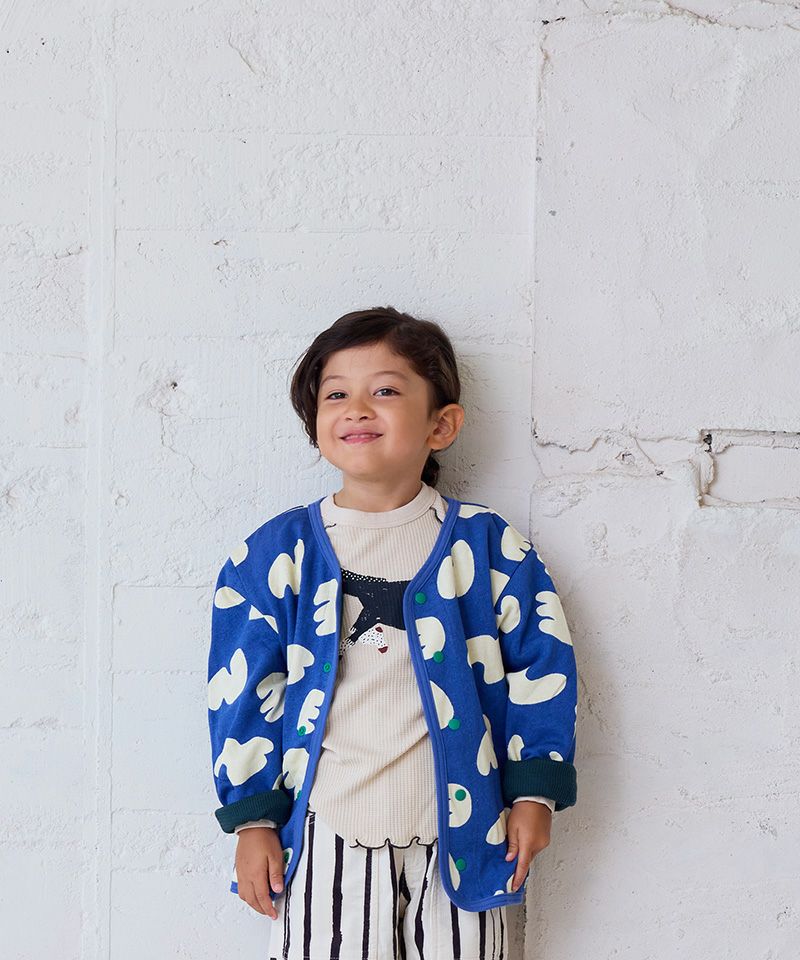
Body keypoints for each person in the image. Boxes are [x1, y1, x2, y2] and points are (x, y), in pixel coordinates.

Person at [206, 306, 578, 960]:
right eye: (335, 394)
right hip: (325, 832)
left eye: (384, 390)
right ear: (314, 421)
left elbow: (542, 667)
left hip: (465, 835)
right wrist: (253, 820)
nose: (356, 408)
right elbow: (242, 692)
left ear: (442, 425)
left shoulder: (490, 549)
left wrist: (535, 793)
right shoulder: (274, 555)